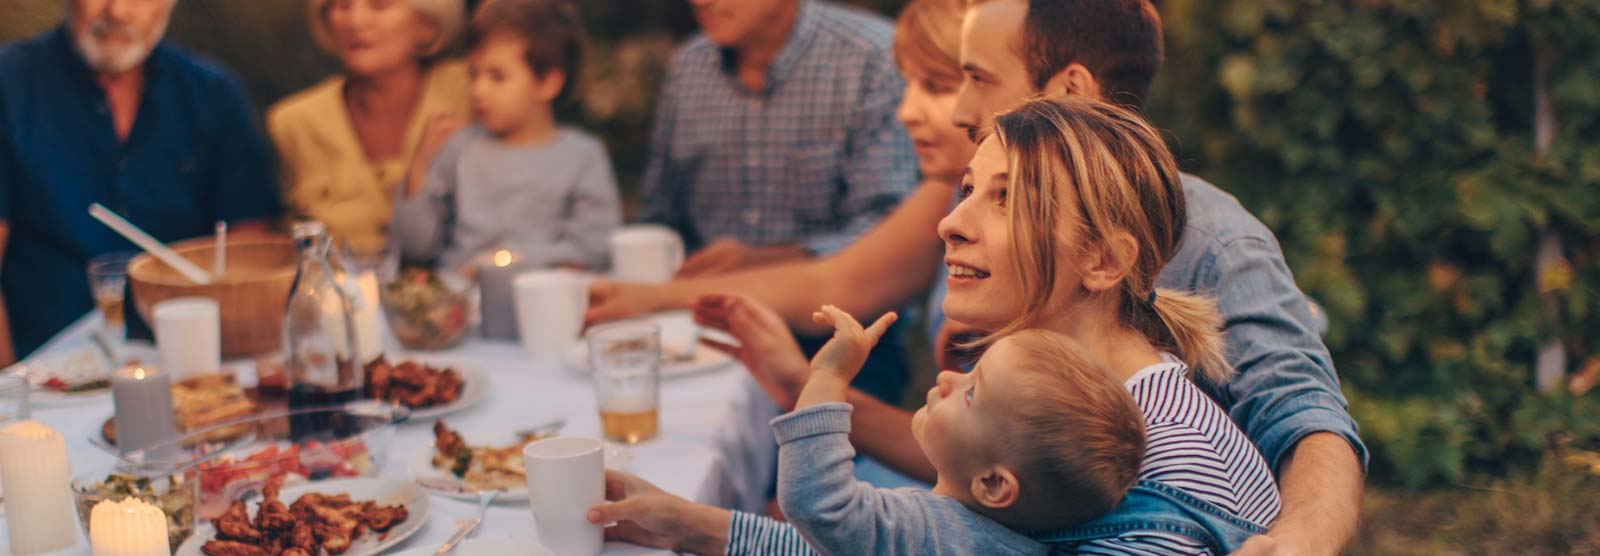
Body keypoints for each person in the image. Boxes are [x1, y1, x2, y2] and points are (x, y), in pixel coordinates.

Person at [589, 0, 1367, 553]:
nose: (948, 222)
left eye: (1003, 196)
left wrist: (1302, 536)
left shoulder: (1160, 475)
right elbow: (922, 539)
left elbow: (1305, 414)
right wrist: (696, 527)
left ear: (1107, 259)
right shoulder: (1063, 407)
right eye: (969, 191)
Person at [0, 0, 282, 363]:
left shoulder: (213, 93)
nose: (116, 11)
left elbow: (250, 249)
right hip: (49, 375)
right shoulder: (10, 84)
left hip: (193, 363)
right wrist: (9, 397)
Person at [773, 305, 1144, 556]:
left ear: (994, 485)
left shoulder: (934, 534)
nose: (948, 378)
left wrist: (828, 377)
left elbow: (819, 504)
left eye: (971, 394)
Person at [640, 0, 917, 277]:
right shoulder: (688, 66)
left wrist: (764, 263)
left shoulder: (873, 58)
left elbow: (892, 228)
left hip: (842, 313)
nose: (700, 2)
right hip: (695, 309)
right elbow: (659, 218)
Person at [390, 0, 620, 271]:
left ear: (547, 83)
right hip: (461, 302)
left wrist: (506, 263)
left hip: (544, 297)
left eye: (497, 77)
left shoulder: (582, 156)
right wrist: (420, 168)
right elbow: (415, 246)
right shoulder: (460, 149)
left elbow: (595, 248)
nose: (478, 90)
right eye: (474, 74)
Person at [268, 0, 468, 256]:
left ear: (427, 25)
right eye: (341, 5)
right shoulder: (292, 124)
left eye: (379, 5)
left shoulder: (475, 91)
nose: (355, 21)